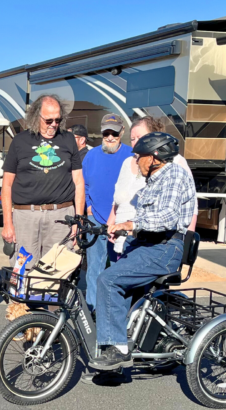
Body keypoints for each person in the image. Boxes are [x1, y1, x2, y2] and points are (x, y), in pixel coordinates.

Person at [90, 132, 197, 370]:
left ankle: (117, 351)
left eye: (139, 156)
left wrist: (130, 225)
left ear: (154, 156)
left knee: (108, 280)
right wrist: (121, 229)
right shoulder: (154, 179)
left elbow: (167, 217)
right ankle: (113, 370)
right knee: (118, 290)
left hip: (165, 247)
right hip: (148, 244)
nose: (136, 160)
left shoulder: (174, 175)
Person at [1, 95, 85, 267]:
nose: (54, 124)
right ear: (36, 117)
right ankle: (23, 295)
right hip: (26, 216)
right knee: (24, 270)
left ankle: (51, 296)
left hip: (61, 215)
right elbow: (7, 185)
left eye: (58, 120)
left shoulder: (68, 139)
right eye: (48, 120)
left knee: (56, 270)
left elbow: (78, 181)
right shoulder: (20, 141)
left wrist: (78, 220)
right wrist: (7, 223)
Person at [108, 116, 198, 259]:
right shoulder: (126, 163)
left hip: (151, 244)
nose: (135, 142)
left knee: (114, 280)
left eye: (140, 137)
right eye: (132, 138)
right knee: (111, 278)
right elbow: (117, 200)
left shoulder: (173, 163)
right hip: (120, 239)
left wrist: (184, 245)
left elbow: (190, 206)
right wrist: (110, 226)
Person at [81, 114, 133, 310]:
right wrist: (88, 207)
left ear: (122, 132)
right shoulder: (91, 155)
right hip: (95, 219)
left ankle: (116, 310)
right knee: (94, 268)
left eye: (114, 133)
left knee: (119, 268)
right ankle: (93, 310)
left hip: (120, 221)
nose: (110, 137)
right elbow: (83, 185)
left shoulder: (131, 155)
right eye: (106, 133)